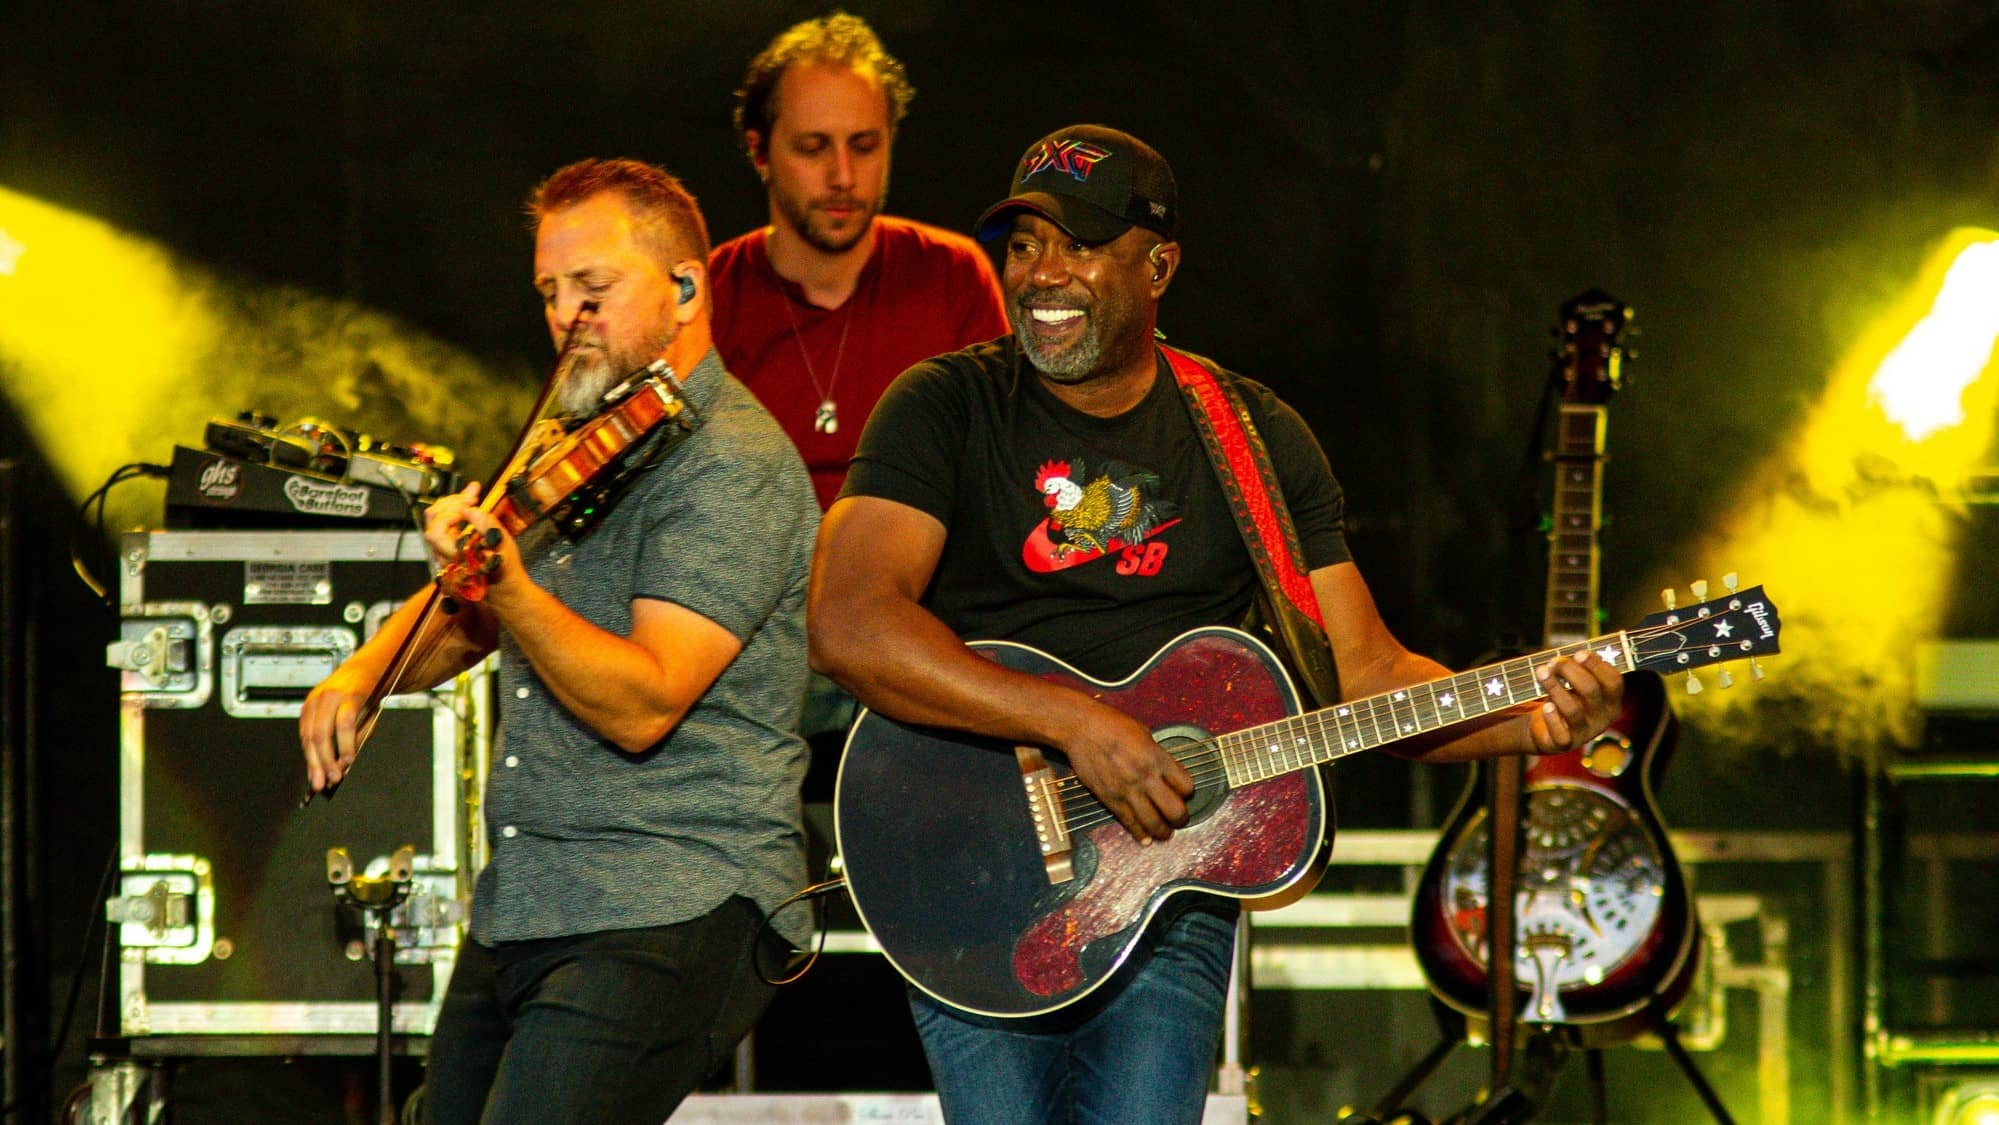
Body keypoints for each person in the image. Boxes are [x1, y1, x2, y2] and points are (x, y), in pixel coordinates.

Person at [806, 125, 1627, 1124]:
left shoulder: (1252, 435)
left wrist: (1537, 717)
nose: (1040, 274)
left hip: (1171, 884)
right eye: (1023, 245)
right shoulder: (946, 406)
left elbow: (1364, 677)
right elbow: (849, 621)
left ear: (1158, 267)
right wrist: (1074, 725)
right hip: (967, 854)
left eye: (1079, 245)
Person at [299, 158, 818, 1125]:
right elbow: (473, 614)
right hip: (532, 896)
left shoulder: (732, 465)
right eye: (549, 294)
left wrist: (512, 584)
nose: (566, 316)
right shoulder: (578, 437)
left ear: (687, 287)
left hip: (672, 895)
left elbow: (646, 699)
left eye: (593, 289)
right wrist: (362, 673)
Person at [710, 11, 1008, 512]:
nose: (844, 176)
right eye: (813, 147)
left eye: (865, 146)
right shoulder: (712, 296)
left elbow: (1000, 471)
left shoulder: (952, 275)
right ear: (759, 152)